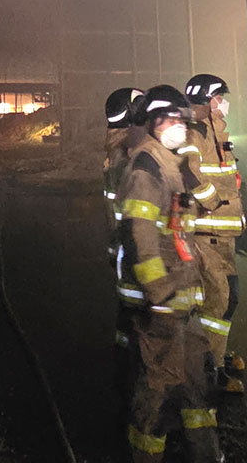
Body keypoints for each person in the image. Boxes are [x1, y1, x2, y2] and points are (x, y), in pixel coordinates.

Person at [115, 84, 222, 463]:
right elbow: (140, 236)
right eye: (175, 120)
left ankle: (206, 454)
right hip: (163, 303)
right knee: (158, 390)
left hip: (182, 300)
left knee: (196, 385)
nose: (182, 128)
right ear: (157, 122)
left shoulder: (167, 162)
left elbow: (176, 230)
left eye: (183, 121)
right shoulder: (146, 168)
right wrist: (158, 292)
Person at [181, 73, 246, 394]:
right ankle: (209, 369)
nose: (225, 103)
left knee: (227, 297)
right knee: (217, 300)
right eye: (220, 97)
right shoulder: (194, 133)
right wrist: (211, 201)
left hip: (222, 232)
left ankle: (217, 354)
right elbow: (188, 171)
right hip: (207, 231)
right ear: (207, 100)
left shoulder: (214, 131)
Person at [105, 87, 147, 399]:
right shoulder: (125, 152)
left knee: (127, 304)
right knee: (135, 303)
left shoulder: (118, 147)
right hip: (129, 241)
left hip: (120, 239)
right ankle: (134, 368)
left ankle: (124, 359)